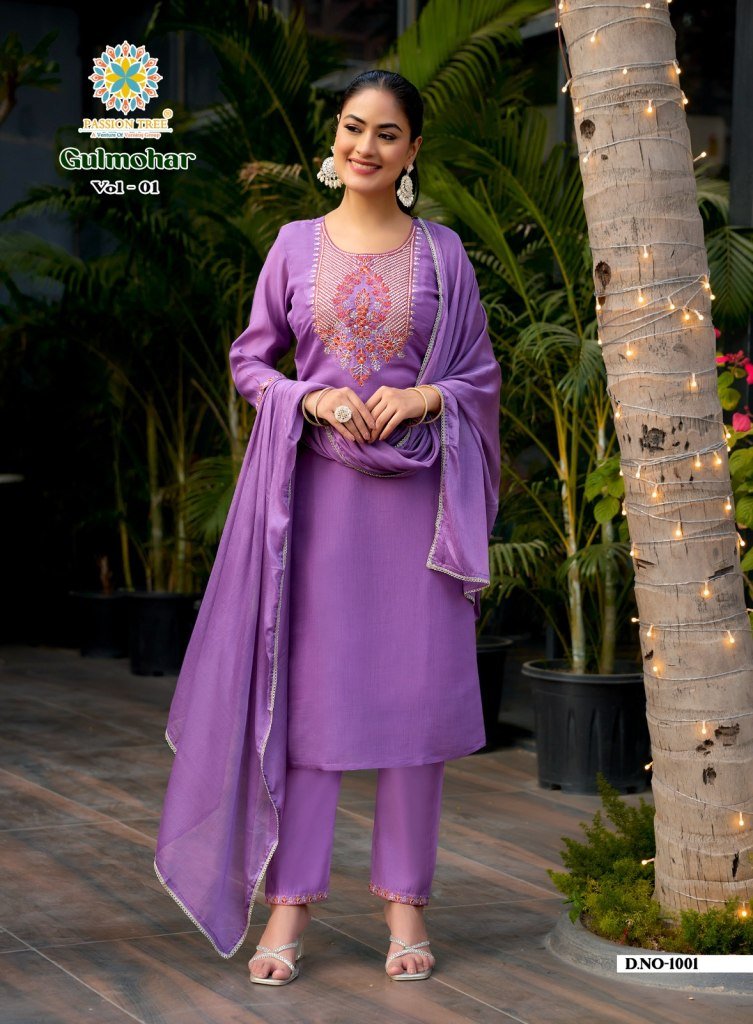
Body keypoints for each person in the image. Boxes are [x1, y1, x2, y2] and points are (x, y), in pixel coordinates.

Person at [153, 69, 501, 988]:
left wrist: (424, 396)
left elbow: (477, 375)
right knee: (307, 706)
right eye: (353, 127)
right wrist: (309, 399)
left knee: (412, 706)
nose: (365, 147)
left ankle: (405, 906)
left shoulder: (444, 254)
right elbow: (252, 361)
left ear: (413, 150)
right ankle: (289, 903)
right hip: (314, 511)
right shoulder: (293, 246)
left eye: (386, 133)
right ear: (333, 139)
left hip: (417, 513)